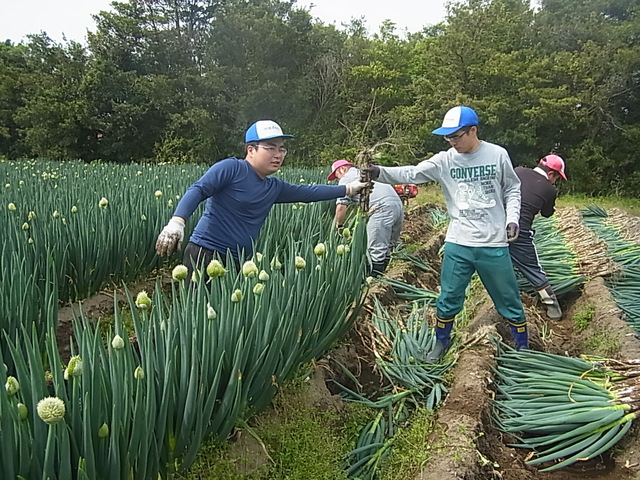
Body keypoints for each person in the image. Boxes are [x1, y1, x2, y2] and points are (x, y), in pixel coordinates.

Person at [365, 106, 528, 361]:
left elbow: (512, 189)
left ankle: (523, 346)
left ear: (473, 131)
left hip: (493, 242)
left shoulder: (497, 155)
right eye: (448, 137)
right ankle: (441, 342)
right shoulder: (445, 160)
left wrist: (512, 219)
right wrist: (380, 172)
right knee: (449, 296)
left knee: (508, 298)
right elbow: (413, 173)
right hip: (458, 242)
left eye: (457, 136)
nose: (452, 142)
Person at [155, 120, 369, 276]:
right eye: (270, 148)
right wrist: (177, 222)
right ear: (251, 149)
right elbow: (199, 189)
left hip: (237, 261)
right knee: (196, 316)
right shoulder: (232, 168)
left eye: (282, 148)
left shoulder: (273, 187)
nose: (278, 154)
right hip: (205, 254)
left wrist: (349, 188)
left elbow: (309, 192)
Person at [509, 155, 567, 320]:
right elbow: (547, 213)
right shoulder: (549, 189)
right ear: (551, 174)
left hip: (497, 224)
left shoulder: (518, 171)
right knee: (532, 269)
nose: (555, 181)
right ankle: (553, 307)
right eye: (556, 178)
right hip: (519, 231)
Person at [327, 159, 404, 277]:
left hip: (380, 208)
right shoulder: (368, 173)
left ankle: (375, 280)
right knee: (388, 245)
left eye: (336, 175)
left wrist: (339, 226)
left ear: (343, 169)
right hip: (397, 205)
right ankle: (384, 279)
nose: (337, 179)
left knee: (376, 249)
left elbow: (341, 206)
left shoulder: (346, 177)